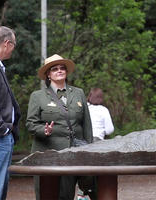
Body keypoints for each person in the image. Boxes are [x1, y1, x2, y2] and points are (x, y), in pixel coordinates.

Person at [26, 54, 93, 200]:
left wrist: (90, 150)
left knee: (67, 195)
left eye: (62, 68)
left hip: (72, 154)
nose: (59, 70)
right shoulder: (37, 96)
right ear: (48, 75)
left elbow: (87, 125)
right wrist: (43, 130)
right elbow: (31, 123)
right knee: (47, 195)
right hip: (47, 155)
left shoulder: (78, 93)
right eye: (55, 69)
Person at [0, 26, 21, 200]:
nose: (13, 49)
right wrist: (3, 130)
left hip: (3, 135)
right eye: (14, 45)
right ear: (7, 43)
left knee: (1, 188)